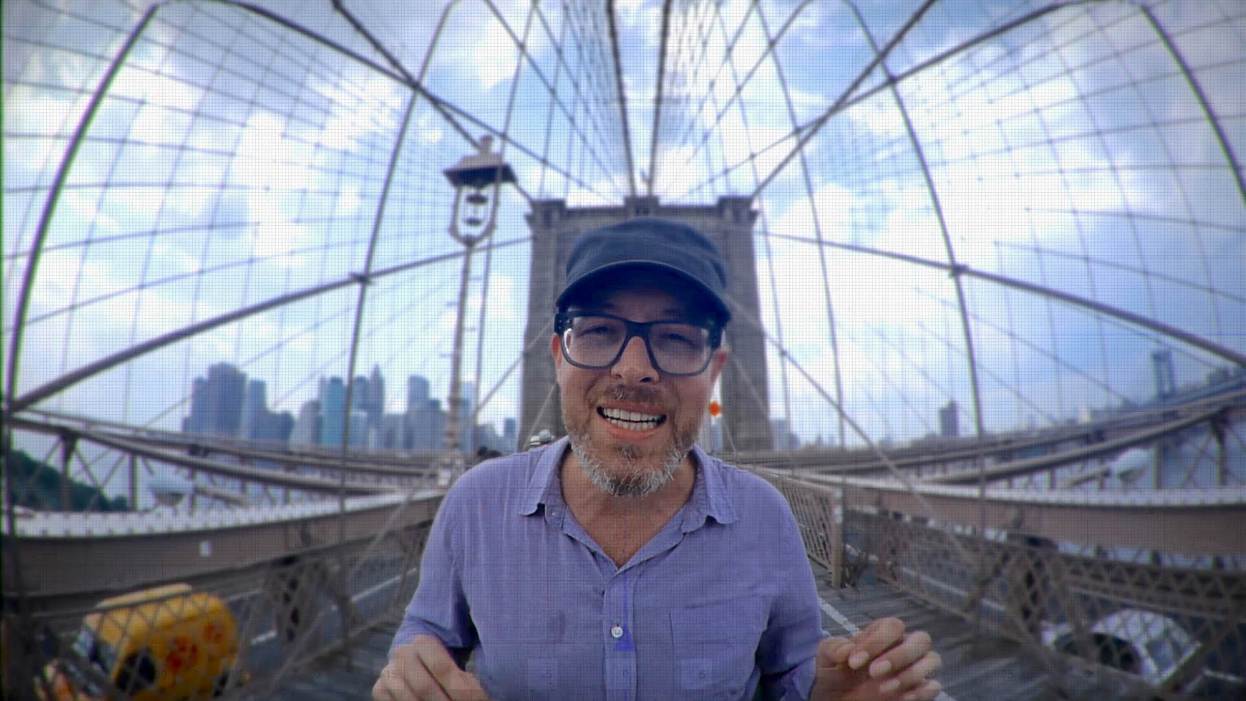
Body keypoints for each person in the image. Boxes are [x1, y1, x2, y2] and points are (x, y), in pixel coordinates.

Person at [374, 218, 941, 700]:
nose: (634, 369)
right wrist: (413, 672)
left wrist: (827, 689)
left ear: (714, 372)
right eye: (600, 331)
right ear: (558, 358)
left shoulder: (764, 516)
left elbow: (789, 670)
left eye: (675, 338)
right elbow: (426, 636)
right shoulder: (476, 505)